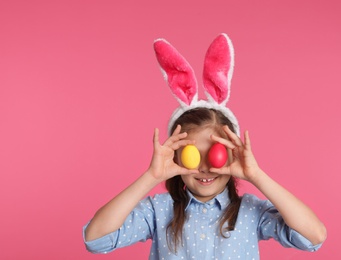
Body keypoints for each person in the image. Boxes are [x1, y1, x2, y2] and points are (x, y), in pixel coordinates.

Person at [83, 34, 327, 259]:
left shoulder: (250, 211)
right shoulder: (159, 211)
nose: (205, 167)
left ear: (233, 156)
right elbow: (96, 239)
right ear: (176, 159)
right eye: (191, 155)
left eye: (215, 155)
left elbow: (313, 237)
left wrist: (257, 176)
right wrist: (151, 177)